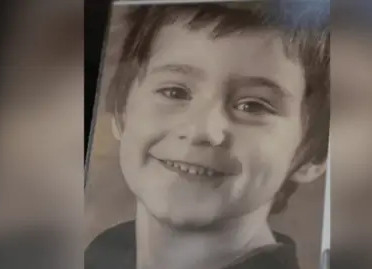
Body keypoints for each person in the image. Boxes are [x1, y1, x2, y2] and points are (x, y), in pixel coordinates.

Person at [85, 3, 329, 269]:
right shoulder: (100, 255)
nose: (202, 130)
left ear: (313, 156)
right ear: (122, 111)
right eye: (175, 92)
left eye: (253, 106)